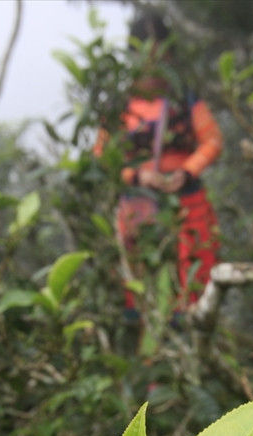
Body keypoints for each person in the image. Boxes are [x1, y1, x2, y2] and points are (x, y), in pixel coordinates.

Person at [94, 12, 223, 325]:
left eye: (159, 56)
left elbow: (213, 141)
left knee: (194, 283)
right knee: (140, 288)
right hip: (138, 208)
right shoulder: (119, 107)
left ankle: (193, 342)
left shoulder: (184, 100)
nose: (152, 65)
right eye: (144, 56)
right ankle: (146, 361)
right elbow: (102, 156)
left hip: (187, 203)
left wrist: (186, 171)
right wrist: (137, 176)